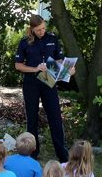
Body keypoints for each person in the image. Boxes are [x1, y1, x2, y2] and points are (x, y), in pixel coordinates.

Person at [15, 14, 73, 162]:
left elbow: (59, 59)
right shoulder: (24, 42)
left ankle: (62, 154)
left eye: (43, 28)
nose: (42, 31)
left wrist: (67, 70)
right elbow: (18, 65)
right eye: (39, 29)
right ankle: (33, 153)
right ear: (32, 29)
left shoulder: (52, 39)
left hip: (49, 81)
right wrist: (35, 69)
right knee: (32, 118)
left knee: (55, 117)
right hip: (31, 83)